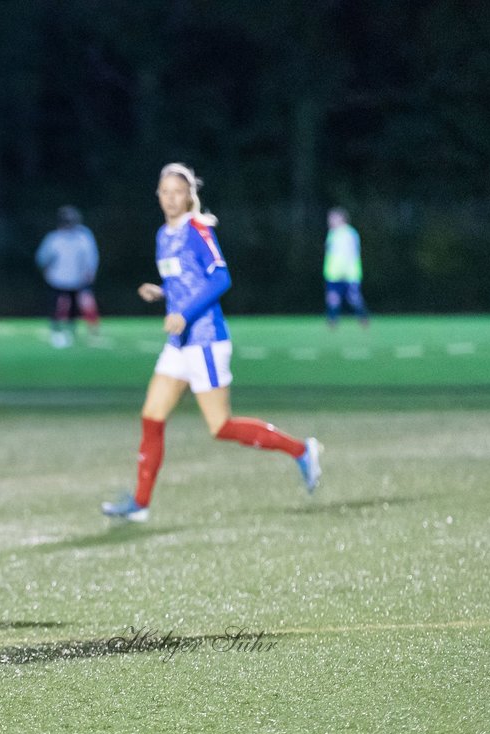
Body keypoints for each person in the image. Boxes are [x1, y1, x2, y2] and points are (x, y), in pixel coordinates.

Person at [102, 163, 321, 523]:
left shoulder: (197, 229)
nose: (171, 199)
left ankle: (301, 451)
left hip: (205, 340)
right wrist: (162, 293)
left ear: (189, 196)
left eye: (177, 192)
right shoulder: (162, 235)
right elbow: (183, 282)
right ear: (158, 195)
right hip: (178, 343)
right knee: (151, 417)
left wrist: (184, 313)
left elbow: (220, 279)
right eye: (165, 192)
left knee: (221, 427)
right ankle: (140, 504)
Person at [35, 204, 100, 347]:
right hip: (57, 279)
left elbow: (90, 257)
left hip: (76, 279)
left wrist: (90, 271)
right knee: (56, 305)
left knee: (73, 308)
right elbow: (42, 257)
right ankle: (56, 330)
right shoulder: (54, 238)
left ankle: (71, 330)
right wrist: (46, 269)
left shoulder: (83, 237)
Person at [324, 207, 368, 327]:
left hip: (349, 273)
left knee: (353, 298)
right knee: (333, 298)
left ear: (342, 219)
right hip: (333, 274)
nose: (330, 220)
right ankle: (332, 321)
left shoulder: (348, 234)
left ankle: (363, 318)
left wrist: (344, 270)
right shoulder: (332, 233)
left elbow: (349, 253)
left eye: (333, 218)